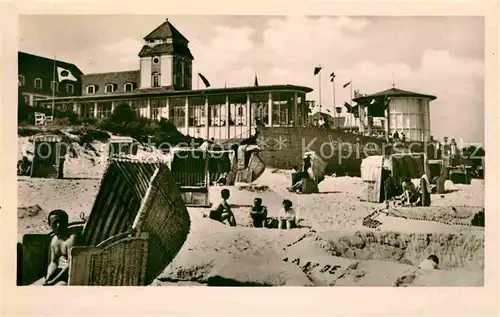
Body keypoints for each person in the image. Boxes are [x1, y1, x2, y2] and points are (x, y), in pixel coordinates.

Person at [43, 209, 78, 286]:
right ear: (50, 224)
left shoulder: (71, 239)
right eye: (55, 223)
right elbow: (53, 262)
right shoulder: (54, 240)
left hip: (70, 276)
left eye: (61, 222)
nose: (58, 225)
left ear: (66, 223)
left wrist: (53, 281)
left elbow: (71, 265)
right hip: (59, 274)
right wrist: (48, 277)